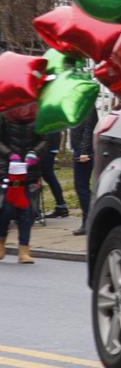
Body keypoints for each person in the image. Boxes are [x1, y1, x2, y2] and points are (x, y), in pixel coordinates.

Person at [0, 103, 47, 263]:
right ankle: (1, 243)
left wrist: (35, 152)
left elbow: (44, 139)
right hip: (8, 169)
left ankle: (24, 249)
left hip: (29, 171)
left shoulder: (38, 114)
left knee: (27, 211)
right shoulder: (4, 113)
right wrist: (9, 154)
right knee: (6, 209)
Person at [70, 108, 98, 236]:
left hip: (84, 152)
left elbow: (88, 130)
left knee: (82, 188)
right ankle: (89, 220)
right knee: (82, 188)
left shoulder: (87, 107)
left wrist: (84, 152)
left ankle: (88, 222)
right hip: (79, 150)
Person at [40, 131, 69, 219]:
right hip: (51, 146)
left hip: (47, 147)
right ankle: (61, 206)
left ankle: (61, 206)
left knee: (47, 177)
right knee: (49, 177)